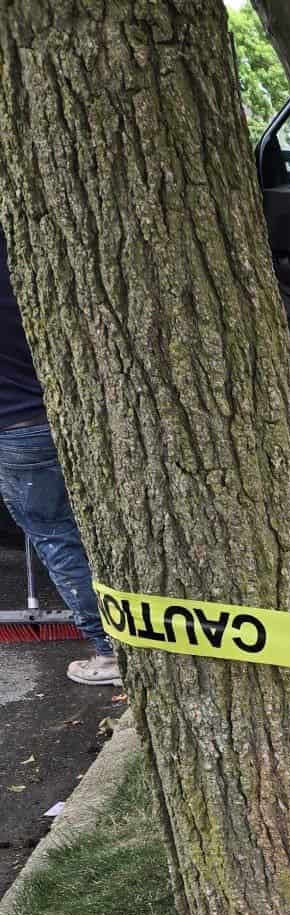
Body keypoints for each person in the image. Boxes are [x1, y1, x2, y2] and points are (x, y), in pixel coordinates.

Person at [0, 228, 119, 686]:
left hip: (19, 429)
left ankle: (110, 653)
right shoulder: (30, 242)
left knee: (57, 537)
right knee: (97, 526)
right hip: (74, 411)